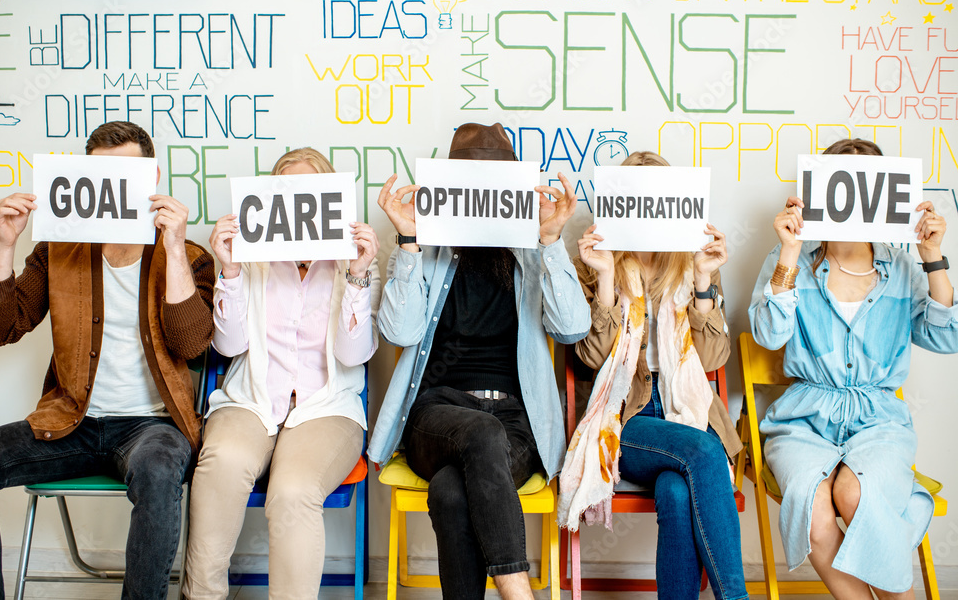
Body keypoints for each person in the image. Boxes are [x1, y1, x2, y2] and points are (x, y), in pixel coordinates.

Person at [0, 121, 215, 600]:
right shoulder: (59, 250)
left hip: (152, 426)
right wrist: (5, 244)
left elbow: (192, 344)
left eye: (127, 175)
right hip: (71, 420)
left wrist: (175, 246)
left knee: (160, 475)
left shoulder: (190, 256)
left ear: (152, 178)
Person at [368, 122, 591, 600]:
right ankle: (519, 593)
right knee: (479, 436)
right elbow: (399, 332)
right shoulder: (426, 251)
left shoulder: (533, 253)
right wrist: (407, 241)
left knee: (451, 492)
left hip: (514, 418)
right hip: (437, 413)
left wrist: (551, 241)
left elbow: (572, 328)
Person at [748, 138, 958, 599]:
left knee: (854, 492)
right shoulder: (792, 261)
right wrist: (788, 252)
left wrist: (933, 256)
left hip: (879, 420)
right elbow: (768, 334)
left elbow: (946, 335)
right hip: (803, 419)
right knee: (813, 501)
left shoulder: (902, 267)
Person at [182, 148, 381, 600]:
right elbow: (229, 346)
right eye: (285, 190)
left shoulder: (354, 262)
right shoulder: (251, 259)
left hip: (327, 407)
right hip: (250, 398)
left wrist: (358, 276)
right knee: (221, 464)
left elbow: (354, 356)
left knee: (293, 492)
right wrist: (229, 269)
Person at [559, 151, 748, 600]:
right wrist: (605, 278)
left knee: (677, 493)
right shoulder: (595, 263)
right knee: (702, 450)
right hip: (624, 418)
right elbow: (591, 358)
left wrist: (704, 280)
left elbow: (713, 356)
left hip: (686, 411)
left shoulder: (690, 264)